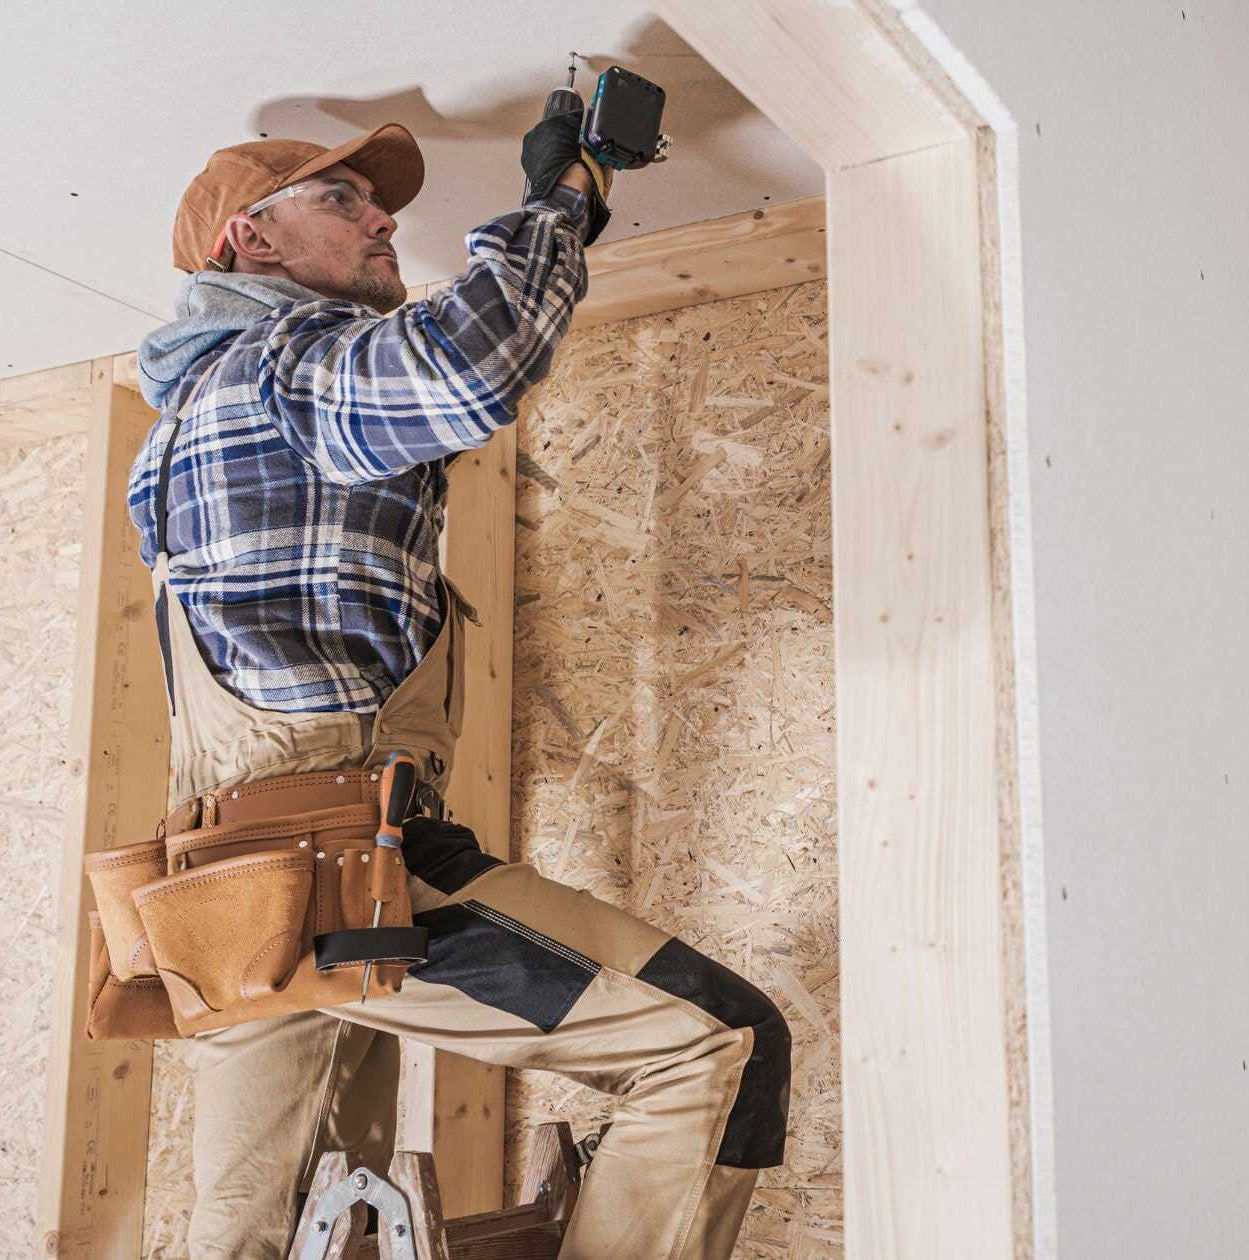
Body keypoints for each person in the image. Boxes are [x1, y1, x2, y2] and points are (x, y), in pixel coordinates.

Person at [125, 109, 787, 1260]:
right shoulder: (280, 367)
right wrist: (562, 199)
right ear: (253, 242)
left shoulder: (191, 419)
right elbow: (465, 365)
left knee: (269, 1238)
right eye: (342, 202)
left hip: (233, 901)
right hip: (339, 867)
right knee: (714, 1045)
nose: (384, 218)